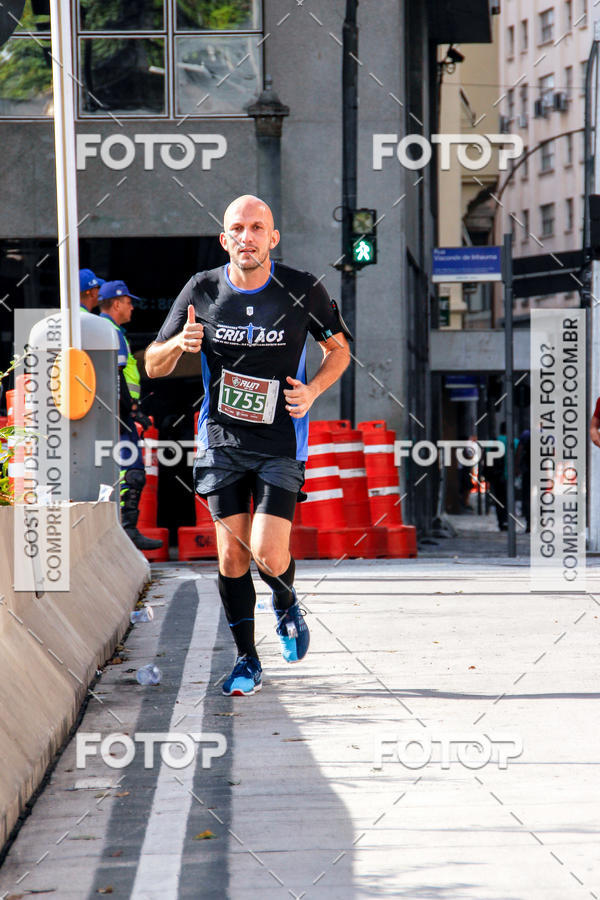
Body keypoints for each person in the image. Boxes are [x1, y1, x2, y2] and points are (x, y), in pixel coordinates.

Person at [145, 195, 351, 696]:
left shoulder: (302, 289)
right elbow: (152, 362)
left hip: (281, 440)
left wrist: (314, 390)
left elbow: (339, 349)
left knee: (267, 553)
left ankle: (284, 601)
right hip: (221, 441)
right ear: (225, 239)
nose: (247, 236)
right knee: (232, 557)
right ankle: (246, 661)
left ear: (272, 238)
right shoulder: (202, 289)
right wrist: (180, 345)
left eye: (257, 227)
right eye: (237, 228)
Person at [98, 280, 163, 552]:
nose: (132, 307)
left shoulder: (104, 330)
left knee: (121, 474)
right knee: (133, 474)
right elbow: (116, 378)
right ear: (115, 303)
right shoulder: (110, 331)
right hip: (119, 416)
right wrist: (131, 411)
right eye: (128, 301)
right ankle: (128, 531)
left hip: (114, 415)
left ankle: (123, 530)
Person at [515, 428, 531, 533]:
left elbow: (519, 450)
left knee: (527, 497)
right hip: (540, 471)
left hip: (527, 470)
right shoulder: (547, 433)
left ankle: (529, 522)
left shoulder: (526, 434)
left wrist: (516, 466)